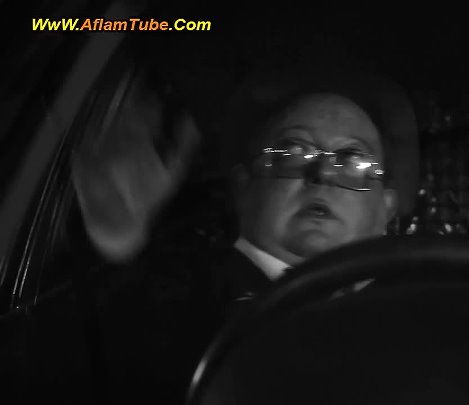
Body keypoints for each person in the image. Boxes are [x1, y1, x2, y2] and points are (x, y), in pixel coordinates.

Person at [70, 66, 418, 403]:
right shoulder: (172, 299)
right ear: (244, 188)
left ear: (386, 208)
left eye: (353, 162)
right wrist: (113, 239)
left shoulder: (425, 313)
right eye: (292, 153)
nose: (322, 174)